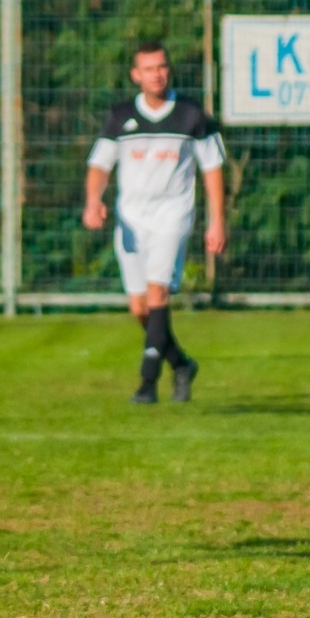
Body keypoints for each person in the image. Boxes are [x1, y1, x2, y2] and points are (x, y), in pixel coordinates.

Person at [82, 41, 227, 404]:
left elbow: (212, 169)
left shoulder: (192, 114)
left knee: (158, 291)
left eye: (162, 67)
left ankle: (147, 383)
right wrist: (93, 200)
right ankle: (181, 363)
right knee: (140, 307)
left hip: (173, 215)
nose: (157, 74)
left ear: (169, 69)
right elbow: (100, 164)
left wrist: (217, 221)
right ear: (136, 75)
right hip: (131, 219)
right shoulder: (121, 116)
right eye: (149, 69)